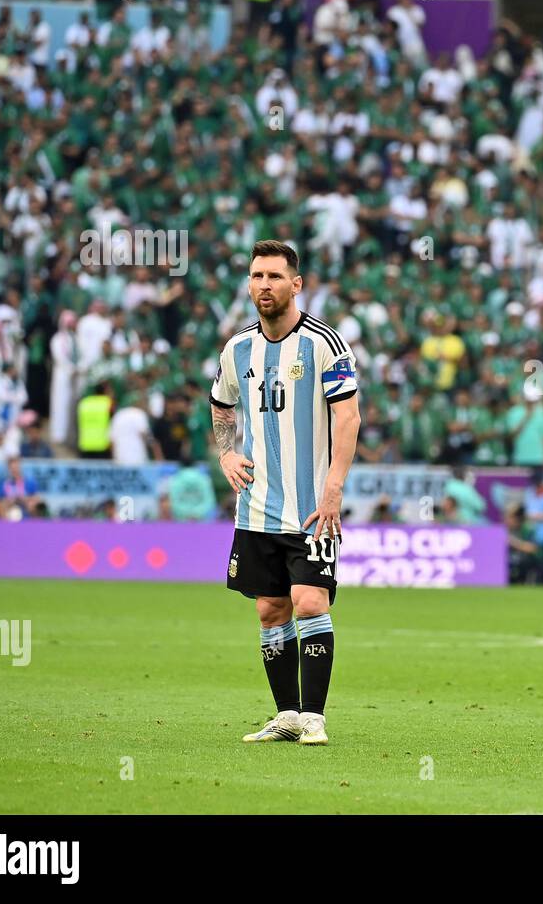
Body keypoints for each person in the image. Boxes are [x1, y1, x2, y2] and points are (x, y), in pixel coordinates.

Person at [210, 240, 361, 747]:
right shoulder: (237, 348)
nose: (264, 286)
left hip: (311, 507)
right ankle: (287, 715)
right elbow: (221, 405)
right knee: (270, 609)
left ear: (296, 284)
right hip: (255, 507)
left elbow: (348, 416)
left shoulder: (326, 344)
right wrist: (226, 454)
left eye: (275, 276)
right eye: (257, 276)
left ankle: (314, 717)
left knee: (310, 601)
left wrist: (334, 487)